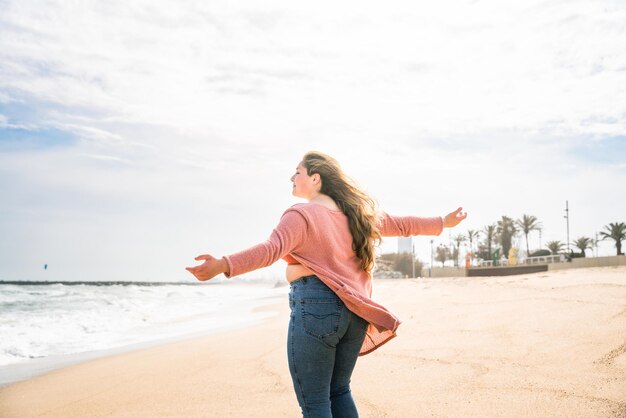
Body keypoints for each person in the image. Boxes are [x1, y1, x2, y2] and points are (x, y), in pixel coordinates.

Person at [186, 151, 467, 417]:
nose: (292, 178)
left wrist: (224, 264)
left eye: (297, 172)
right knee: (339, 391)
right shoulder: (358, 215)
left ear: (316, 177)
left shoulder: (301, 215)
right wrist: (442, 222)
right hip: (355, 314)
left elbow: (271, 249)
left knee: (316, 402)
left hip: (317, 310)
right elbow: (402, 224)